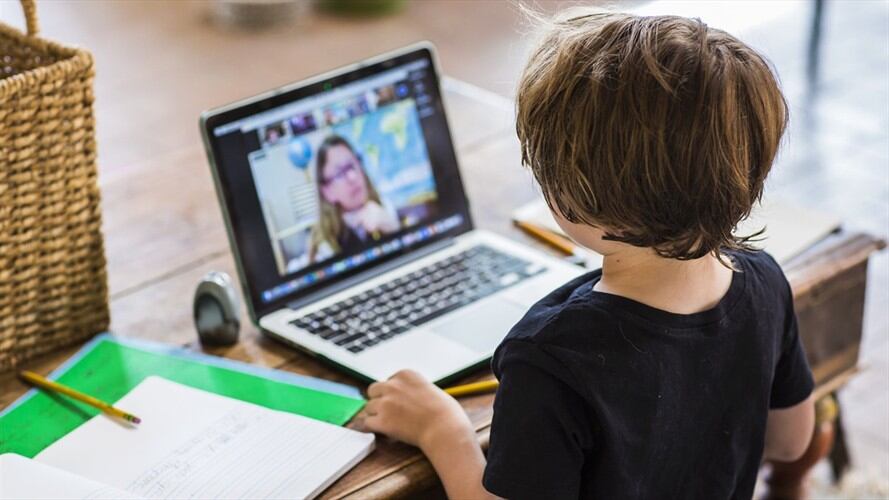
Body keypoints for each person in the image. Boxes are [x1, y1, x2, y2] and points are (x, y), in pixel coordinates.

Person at [357, 11, 816, 499]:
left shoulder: (550, 356)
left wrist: (442, 430)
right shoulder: (764, 281)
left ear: (570, 194)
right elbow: (790, 441)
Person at [308, 135, 400, 264]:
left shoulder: (384, 206)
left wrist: (394, 229)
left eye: (352, 165)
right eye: (340, 173)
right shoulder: (324, 247)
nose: (352, 177)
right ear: (327, 191)